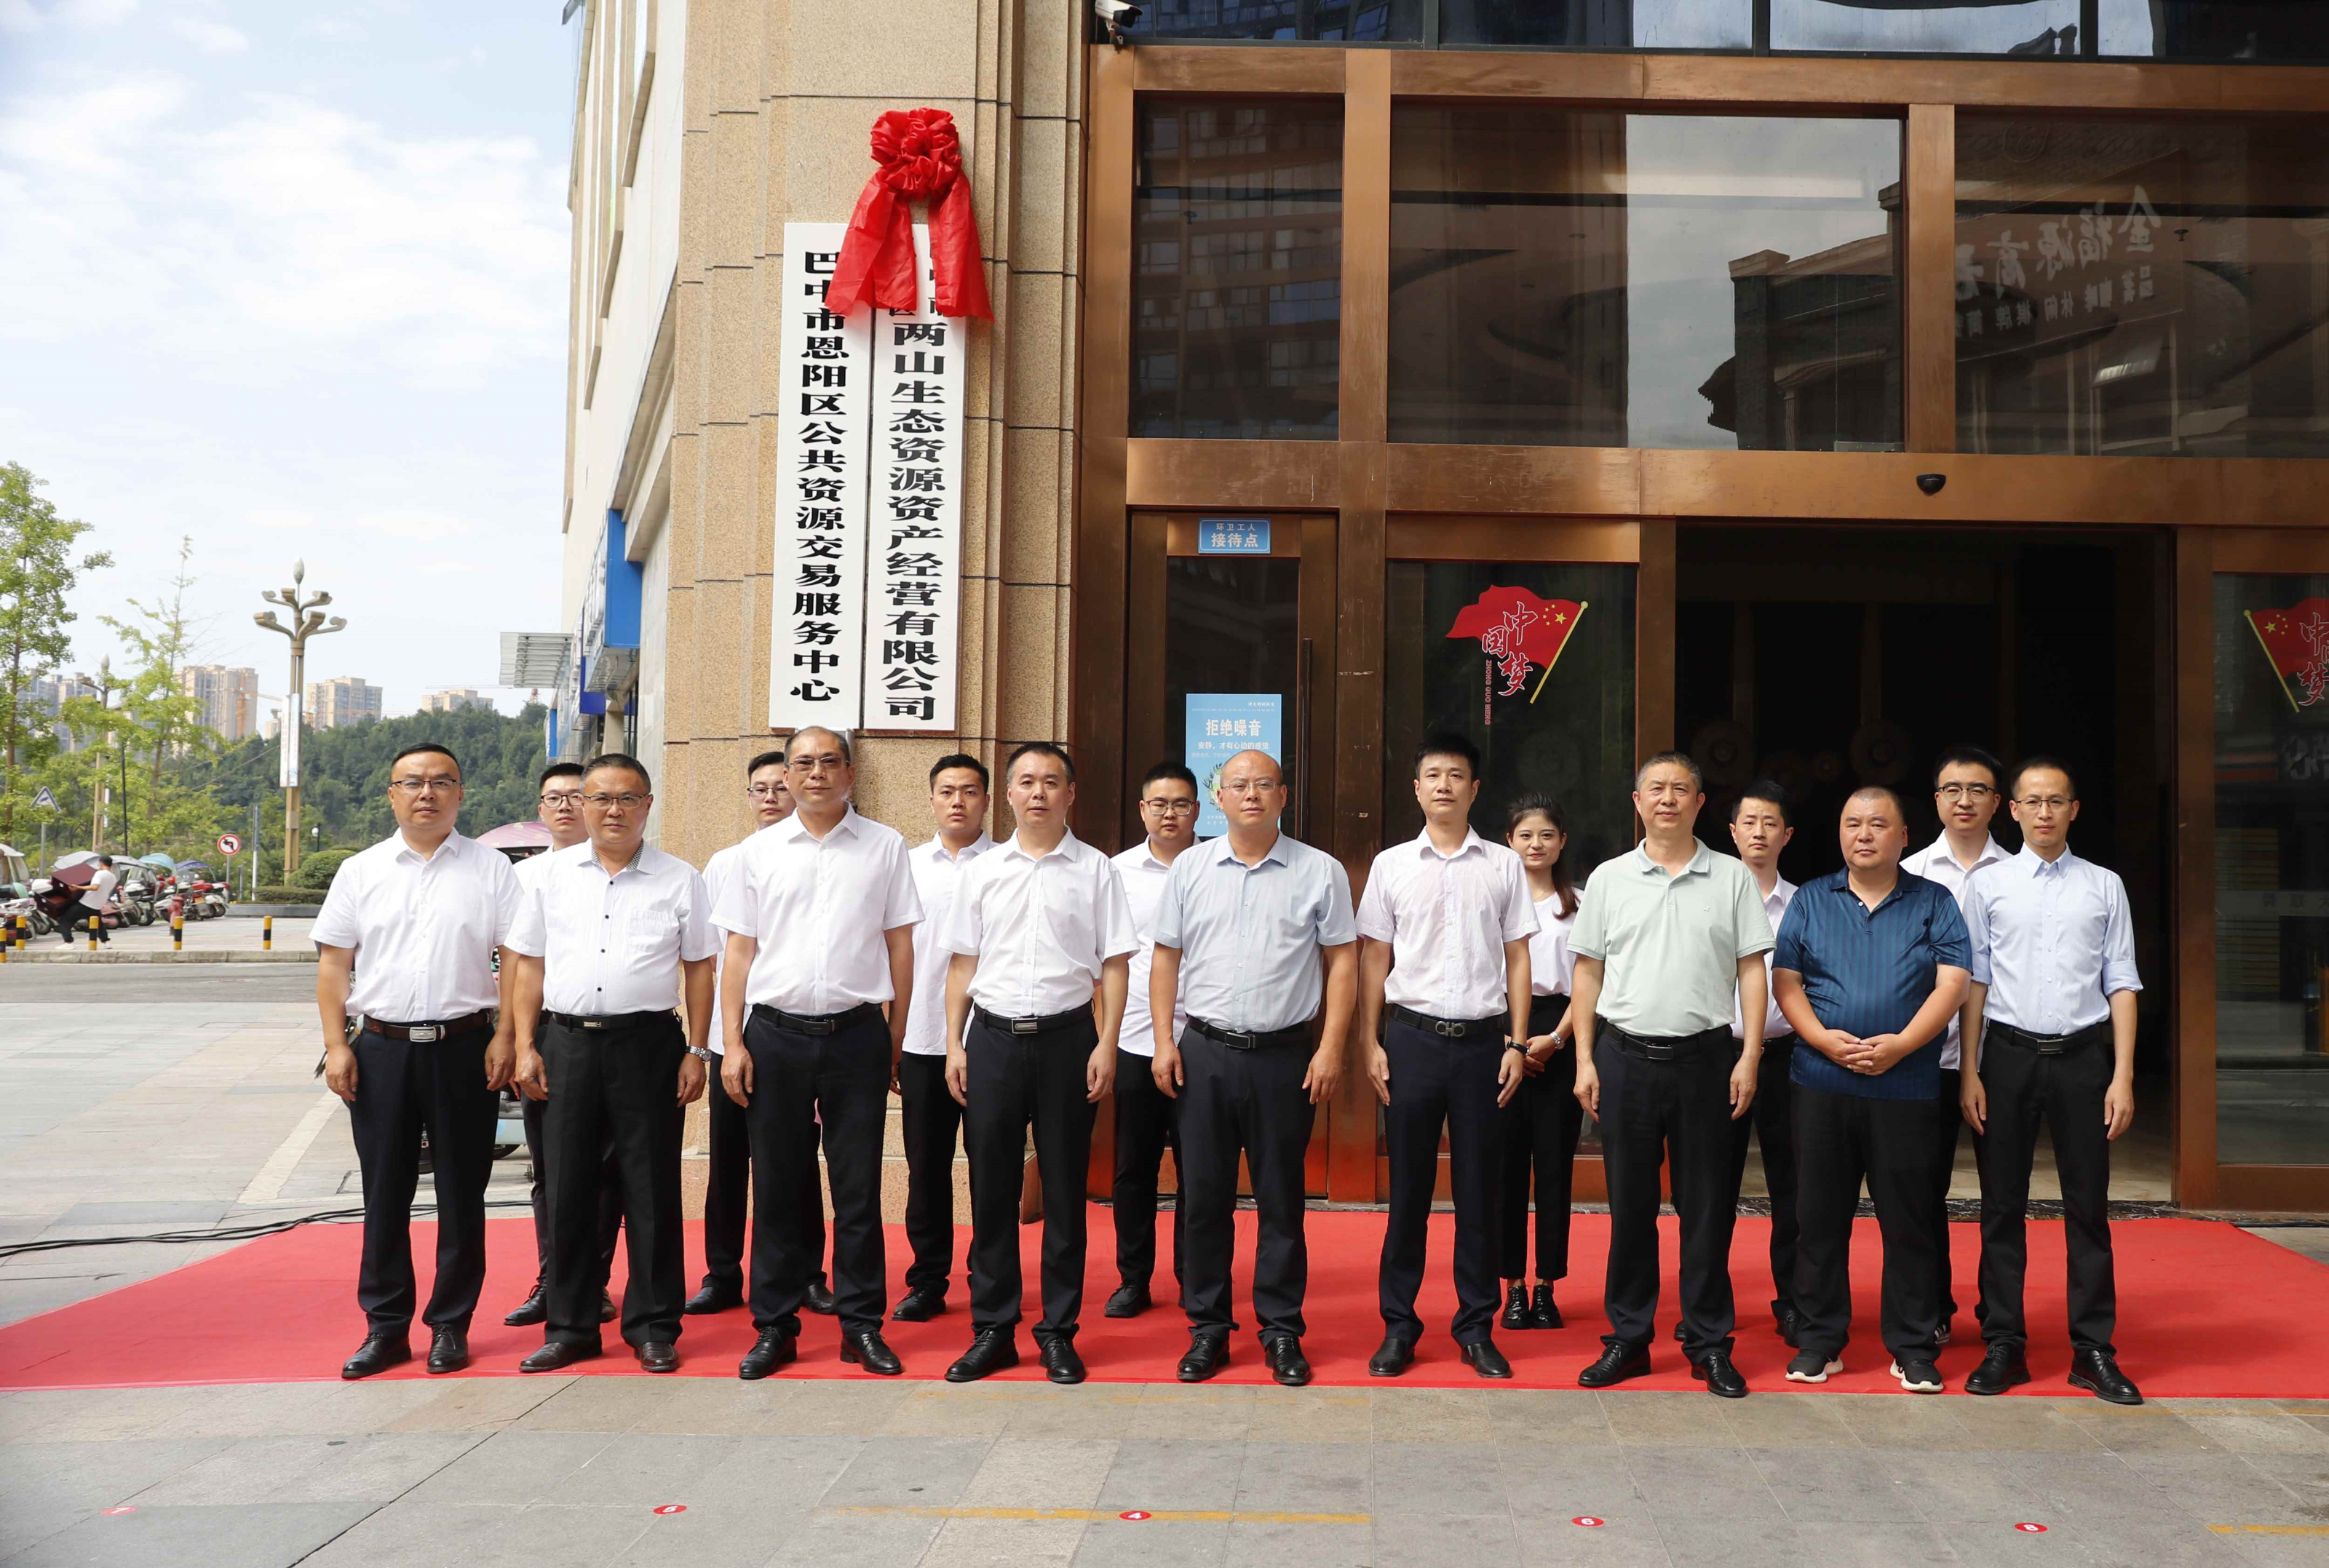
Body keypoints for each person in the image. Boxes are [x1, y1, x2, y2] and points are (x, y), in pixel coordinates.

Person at [714, 726, 921, 1380]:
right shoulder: (756, 852)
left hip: (858, 1033)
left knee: (857, 1188)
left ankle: (861, 1325)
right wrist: (732, 1042)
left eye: (830, 761)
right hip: (774, 1034)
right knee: (777, 1186)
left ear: (850, 773)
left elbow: (900, 947)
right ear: (786, 774)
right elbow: (737, 954)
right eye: (803, 762)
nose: (816, 773)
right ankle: (775, 1325)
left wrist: (894, 1036)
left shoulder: (885, 846)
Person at [504, 754, 718, 1373]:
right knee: (567, 1187)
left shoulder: (680, 878)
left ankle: (654, 1325)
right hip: (566, 1043)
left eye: (628, 798)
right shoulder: (547, 877)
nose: (613, 810)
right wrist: (524, 1044)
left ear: (648, 804)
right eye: (600, 798)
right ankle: (570, 1326)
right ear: (583, 804)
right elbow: (529, 966)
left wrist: (697, 1049)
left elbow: (699, 968)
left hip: (649, 1046)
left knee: (651, 1187)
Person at [314, 743, 520, 1380]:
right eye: (412, 782)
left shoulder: (492, 869)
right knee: (384, 1193)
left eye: (440, 781)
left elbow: (518, 959)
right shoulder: (360, 870)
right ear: (392, 794)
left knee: (463, 1193)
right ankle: (385, 1327)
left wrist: (508, 1036)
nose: (426, 792)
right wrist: (337, 1044)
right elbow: (333, 964)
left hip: (466, 1047)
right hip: (380, 1050)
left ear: (460, 793)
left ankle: (451, 1325)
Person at [1571, 752, 1772, 1398]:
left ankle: (1709, 1342)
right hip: (1624, 1058)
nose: (1667, 798)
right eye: (1655, 788)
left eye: (1680, 789)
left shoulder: (1731, 876)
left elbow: (1751, 968)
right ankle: (1629, 1337)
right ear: (1637, 802)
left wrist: (1750, 1054)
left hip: (1706, 1060)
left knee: (1706, 1207)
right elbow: (1588, 971)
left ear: (1699, 801)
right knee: (1631, 1206)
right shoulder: (1609, 878)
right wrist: (1584, 1057)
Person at [1151, 749, 1356, 1387]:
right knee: (1203, 1198)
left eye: (1264, 784)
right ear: (1219, 798)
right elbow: (1164, 958)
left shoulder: (1319, 870)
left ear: (1283, 795)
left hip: (1284, 1057)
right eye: (1238, 784)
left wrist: (1331, 1047)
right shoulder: (1190, 868)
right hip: (1204, 1051)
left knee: (1281, 1200)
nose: (1251, 794)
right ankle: (1208, 1328)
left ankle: (1281, 1329)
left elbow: (1343, 962)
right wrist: (1164, 1041)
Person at [940, 741, 1134, 1385]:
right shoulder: (982, 870)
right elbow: (961, 963)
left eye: (1051, 781)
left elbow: (1115, 964)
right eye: (1026, 781)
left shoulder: (1097, 870)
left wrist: (1106, 1042)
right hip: (992, 1039)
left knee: (1064, 1191)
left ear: (1070, 793)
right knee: (991, 1189)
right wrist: (955, 1042)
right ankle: (993, 1329)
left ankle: (1057, 1332)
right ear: (1009, 794)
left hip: (1068, 1039)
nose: (1039, 792)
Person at [1771, 787, 1969, 1395]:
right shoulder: (1810, 899)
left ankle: (1912, 1345)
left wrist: (1902, 1044)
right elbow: (1786, 981)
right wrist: (1823, 1041)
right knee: (1818, 1216)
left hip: (1906, 1085)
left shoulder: (1934, 901)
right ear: (1839, 833)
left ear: (1903, 836)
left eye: (1878, 824)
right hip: (1820, 1082)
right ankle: (1818, 1340)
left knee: (1909, 1219)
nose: (1864, 834)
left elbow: (1953, 983)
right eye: (1852, 823)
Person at [1959, 757, 2143, 1405]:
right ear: (2011, 810)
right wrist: (1971, 1069)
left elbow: (2122, 980)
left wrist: (2122, 1075)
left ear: (2074, 810)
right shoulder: (1988, 885)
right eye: (2032, 801)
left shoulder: (2104, 885)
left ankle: (2092, 1349)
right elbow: (1974, 981)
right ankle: (2003, 1342)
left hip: (2083, 1060)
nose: (2044, 812)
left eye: (2056, 801)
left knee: (2088, 1206)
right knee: (2000, 1205)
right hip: (2006, 1056)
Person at [1357, 733, 1534, 1381]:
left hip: (1484, 1042)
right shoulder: (1391, 865)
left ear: (1474, 788)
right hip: (1411, 1040)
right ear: (1416, 788)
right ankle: (1398, 1326)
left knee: (1478, 1192)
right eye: (1432, 774)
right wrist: (1369, 1040)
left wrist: (1517, 1041)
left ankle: (1475, 1327)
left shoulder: (1504, 865)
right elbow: (1374, 956)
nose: (1443, 785)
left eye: (1456, 775)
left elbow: (1518, 956)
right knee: (1407, 1191)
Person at [689, 754, 836, 1318]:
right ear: (748, 797)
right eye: (760, 788)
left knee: (797, 1161)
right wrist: (714, 1041)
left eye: (780, 787)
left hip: (791, 1036)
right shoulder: (727, 863)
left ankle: (808, 1274)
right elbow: (711, 957)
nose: (771, 797)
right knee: (728, 1160)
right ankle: (722, 1274)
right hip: (733, 1037)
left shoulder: (819, 860)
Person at [505, 762, 622, 1332]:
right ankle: (552, 1278)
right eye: (554, 798)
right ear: (541, 809)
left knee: (605, 1168)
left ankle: (592, 1281)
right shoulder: (526, 877)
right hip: (549, 1032)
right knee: (549, 1168)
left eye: (577, 796)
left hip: (613, 1036)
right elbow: (515, 964)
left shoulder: (627, 870)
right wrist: (515, 1039)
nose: (565, 806)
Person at [1900, 744, 2009, 1343]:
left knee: (2002, 1194)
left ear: (1998, 802)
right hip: (1926, 1057)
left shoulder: (2017, 874)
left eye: (1977, 789)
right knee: (1922, 1190)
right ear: (1937, 799)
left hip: (2001, 1056)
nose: (1964, 800)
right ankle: (1932, 1308)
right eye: (1952, 789)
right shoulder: (1910, 873)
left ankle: (1999, 1317)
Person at [891, 752, 994, 1323]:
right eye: (948, 790)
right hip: (921, 1037)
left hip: (991, 1042)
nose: (958, 801)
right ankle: (928, 1280)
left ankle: (989, 1277)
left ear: (987, 800)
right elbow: (886, 953)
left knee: (990, 1166)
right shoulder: (906, 866)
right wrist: (892, 1036)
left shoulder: (1006, 864)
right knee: (925, 1168)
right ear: (931, 798)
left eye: (970, 791)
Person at [1105, 762, 1197, 1319]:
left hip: (1202, 1037)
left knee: (1199, 1169)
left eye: (1181, 804)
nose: (1169, 814)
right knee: (1133, 1166)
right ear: (1142, 810)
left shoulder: (1214, 866)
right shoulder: (1115, 872)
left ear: (1197, 810)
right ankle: (1133, 1277)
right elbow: (1104, 959)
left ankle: (1194, 1276)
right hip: (1136, 1036)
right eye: (1159, 803)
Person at [1498, 793, 1584, 1334]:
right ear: (1509, 841)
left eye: (1546, 835)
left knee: (1555, 1168)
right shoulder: (1494, 900)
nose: (1536, 844)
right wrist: (1512, 1041)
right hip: (1502, 1034)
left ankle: (1547, 1285)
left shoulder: (1580, 903)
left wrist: (1555, 1038)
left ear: (1562, 842)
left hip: (1562, 1033)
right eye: (1526, 835)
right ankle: (1511, 1286)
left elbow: (1592, 981)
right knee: (1506, 1170)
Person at [1721, 784, 1801, 1348]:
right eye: (1749, 822)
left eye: (1770, 822)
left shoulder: (1805, 904)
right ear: (1732, 831)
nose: (1758, 832)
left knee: (1792, 1186)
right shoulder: (1710, 896)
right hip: (1718, 1055)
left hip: (1788, 1055)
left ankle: (1793, 1301)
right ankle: (1708, 1302)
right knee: (1711, 1185)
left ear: (1786, 835)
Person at [66, 854, 116, 944]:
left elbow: (95, 887)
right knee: (98, 924)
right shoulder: (113, 877)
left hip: (86, 902)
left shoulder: (100, 873)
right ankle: (106, 942)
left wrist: (78, 887)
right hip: (98, 905)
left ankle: (68, 942)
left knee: (64, 920)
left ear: (101, 863)